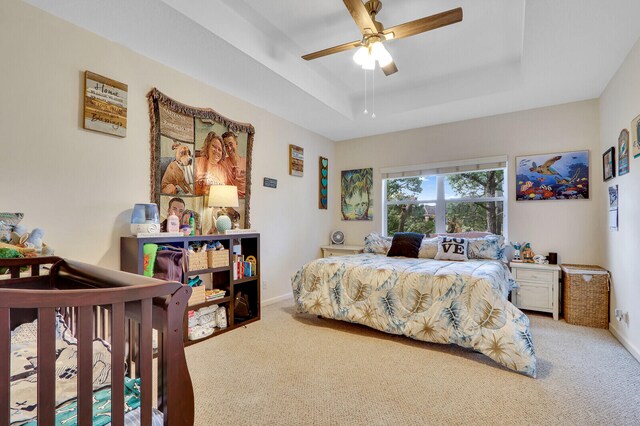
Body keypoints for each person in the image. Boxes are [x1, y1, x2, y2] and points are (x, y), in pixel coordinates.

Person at [194, 132, 232, 196]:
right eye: (214, 146)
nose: (217, 151)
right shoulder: (196, 162)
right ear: (207, 147)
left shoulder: (223, 171)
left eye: (219, 149)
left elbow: (223, 194)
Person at [221, 131, 246, 198]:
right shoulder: (222, 163)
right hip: (229, 199)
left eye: (231, 144)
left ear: (236, 144)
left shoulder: (246, 163)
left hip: (245, 200)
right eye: (226, 146)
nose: (229, 148)